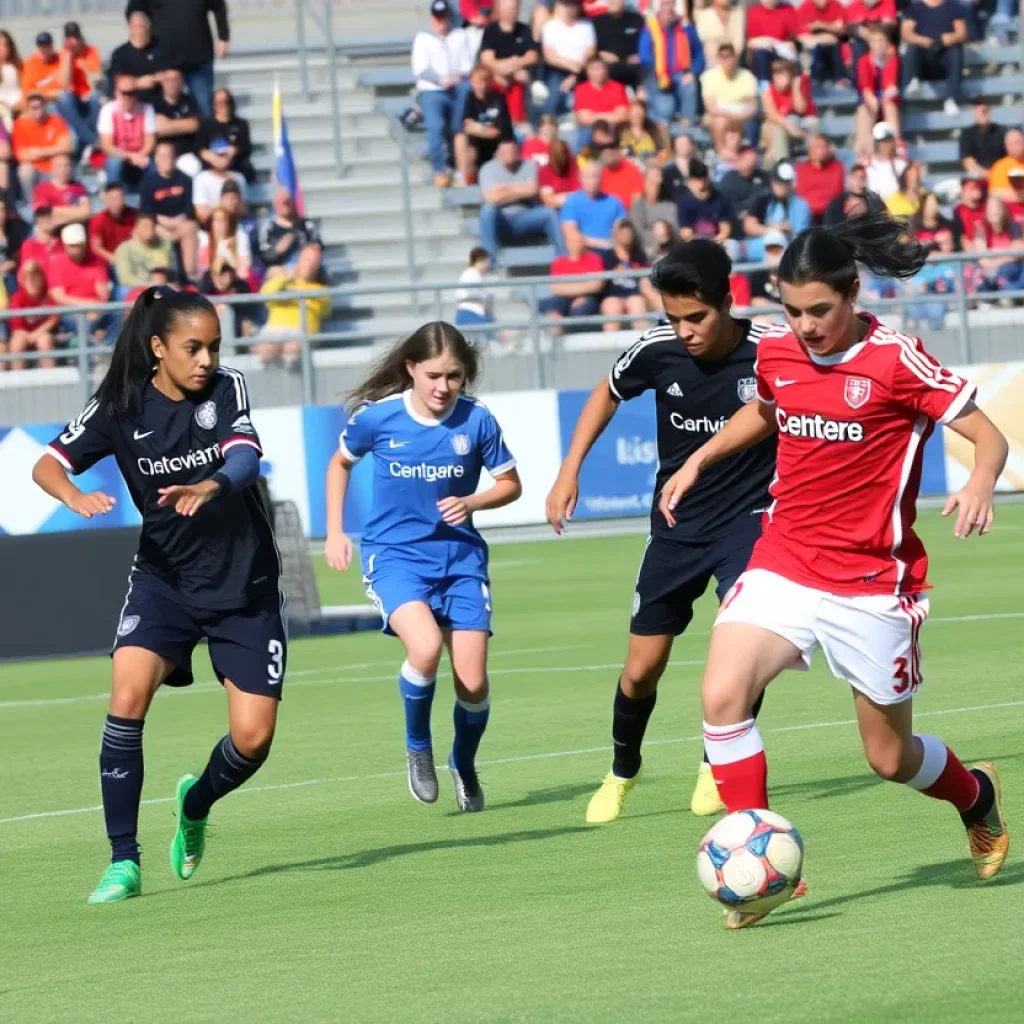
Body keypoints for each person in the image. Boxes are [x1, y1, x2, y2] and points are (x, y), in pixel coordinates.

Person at [657, 208, 1009, 929]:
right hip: (784, 559)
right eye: (792, 310)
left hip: (874, 584)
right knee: (721, 695)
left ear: (853, 294)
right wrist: (698, 458)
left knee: (888, 758)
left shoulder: (896, 360)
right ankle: (762, 873)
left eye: (820, 309)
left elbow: (988, 434)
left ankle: (976, 795)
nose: (807, 325)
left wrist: (977, 483)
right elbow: (766, 410)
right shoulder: (779, 353)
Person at [32, 286, 282, 904]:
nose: (206, 359)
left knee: (253, 740)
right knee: (126, 695)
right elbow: (47, 464)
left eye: (213, 346)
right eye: (192, 347)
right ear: (158, 348)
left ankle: (195, 805)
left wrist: (214, 483)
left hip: (243, 585)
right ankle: (123, 861)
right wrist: (73, 496)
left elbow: (248, 458)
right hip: (164, 580)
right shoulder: (119, 406)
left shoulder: (227, 388)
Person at [546, 239, 778, 822]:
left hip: (750, 521)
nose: (685, 331)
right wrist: (569, 469)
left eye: (696, 317)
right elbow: (607, 391)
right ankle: (623, 772)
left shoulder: (772, 349)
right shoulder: (657, 350)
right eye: (674, 318)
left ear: (728, 301)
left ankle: (714, 765)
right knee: (642, 668)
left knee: (741, 648)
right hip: (677, 526)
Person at [324, 322, 521, 810]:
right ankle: (417, 747)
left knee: (473, 683)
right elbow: (340, 463)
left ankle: (463, 762)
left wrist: (473, 501)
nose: (442, 386)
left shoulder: (477, 420)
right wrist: (334, 531)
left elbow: (511, 484)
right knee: (427, 646)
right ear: (410, 369)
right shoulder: (379, 418)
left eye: (454, 376)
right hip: (395, 557)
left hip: (460, 561)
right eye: (433, 375)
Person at [125, 0, 230, 117]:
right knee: (160, 112)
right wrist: (139, 37)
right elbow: (134, 11)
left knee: (204, 107)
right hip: (163, 62)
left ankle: (208, 135)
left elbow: (219, 6)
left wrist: (223, 37)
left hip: (198, 58)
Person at [413, 0, 475, 188]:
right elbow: (421, 68)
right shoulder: (423, 38)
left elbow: (467, 63)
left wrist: (458, 75)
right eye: (438, 18)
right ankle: (439, 170)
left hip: (456, 88)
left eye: (444, 18)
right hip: (432, 89)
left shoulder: (459, 35)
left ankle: (460, 171)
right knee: (436, 127)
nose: (441, 22)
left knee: (459, 128)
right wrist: (440, 80)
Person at [478, 138, 565, 260]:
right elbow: (491, 199)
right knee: (487, 211)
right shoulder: (487, 169)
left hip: (526, 218)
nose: (509, 155)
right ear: (497, 153)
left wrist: (504, 190)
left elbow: (533, 189)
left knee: (550, 213)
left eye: (512, 152)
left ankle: (564, 261)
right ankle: (488, 263)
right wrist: (520, 191)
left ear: (518, 151)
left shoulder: (530, 165)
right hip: (502, 220)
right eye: (505, 152)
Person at [639, 0, 705, 147]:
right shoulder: (650, 28)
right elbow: (645, 56)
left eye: (670, 4)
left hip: (680, 73)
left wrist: (693, 72)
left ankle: (687, 127)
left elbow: (699, 53)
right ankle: (666, 143)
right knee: (666, 108)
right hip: (658, 76)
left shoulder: (685, 26)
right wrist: (659, 74)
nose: (667, 8)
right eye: (664, 5)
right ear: (658, 8)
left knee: (690, 85)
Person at [255, 244, 331, 368]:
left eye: (315, 262)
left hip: (303, 331)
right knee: (266, 351)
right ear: (298, 261)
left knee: (292, 348)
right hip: (275, 329)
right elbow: (267, 295)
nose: (310, 266)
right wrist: (286, 277)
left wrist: (289, 296)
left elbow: (323, 309)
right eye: (307, 260)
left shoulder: (320, 289)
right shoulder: (282, 280)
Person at [141, 139, 200, 279]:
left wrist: (175, 223)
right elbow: (147, 213)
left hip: (181, 223)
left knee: (191, 228)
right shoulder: (148, 182)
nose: (166, 160)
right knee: (149, 229)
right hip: (159, 226)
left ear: (175, 158)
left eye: (169, 156)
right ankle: (163, 276)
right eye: (162, 156)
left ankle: (191, 275)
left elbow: (189, 210)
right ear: (156, 159)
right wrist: (164, 223)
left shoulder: (185, 180)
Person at [49, 222, 114, 342]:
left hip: (96, 309)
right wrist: (88, 307)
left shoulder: (97, 261)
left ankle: (108, 349)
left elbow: (103, 294)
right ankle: (95, 352)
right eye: (72, 246)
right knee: (82, 322)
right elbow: (59, 297)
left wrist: (95, 309)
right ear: (65, 246)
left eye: (78, 245)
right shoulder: (56, 263)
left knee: (120, 316)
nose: (75, 249)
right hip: (69, 311)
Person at [478, 0, 539, 128]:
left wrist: (514, 64)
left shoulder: (524, 29)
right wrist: (505, 69)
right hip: (496, 81)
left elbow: (532, 55)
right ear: (499, 8)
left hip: (516, 81)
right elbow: (487, 59)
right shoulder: (491, 31)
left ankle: (517, 126)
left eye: (513, 8)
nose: (510, 11)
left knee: (523, 82)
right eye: (507, 8)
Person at [901, 0, 966, 116]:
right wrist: (923, 41)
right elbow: (906, 33)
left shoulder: (952, 6)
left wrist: (946, 39)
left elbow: (961, 33)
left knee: (956, 50)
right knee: (911, 47)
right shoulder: (915, 8)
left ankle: (951, 98)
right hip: (923, 59)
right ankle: (913, 80)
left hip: (943, 59)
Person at [53, 21, 103, 159]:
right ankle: (94, 142)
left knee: (96, 97)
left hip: (88, 97)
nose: (73, 41)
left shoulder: (91, 51)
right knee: (64, 98)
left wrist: (83, 67)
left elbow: (96, 82)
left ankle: (88, 143)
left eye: (75, 37)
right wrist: (69, 56)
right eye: (69, 38)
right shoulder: (62, 54)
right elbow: (64, 83)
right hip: (72, 100)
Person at [538, 0, 597, 117]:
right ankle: (548, 121)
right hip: (558, 69)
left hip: (583, 70)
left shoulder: (586, 26)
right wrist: (572, 66)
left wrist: (576, 73)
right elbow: (549, 56)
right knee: (554, 91)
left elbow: (590, 52)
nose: (570, 9)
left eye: (573, 6)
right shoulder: (550, 26)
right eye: (567, 6)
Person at [539, 223, 606, 325]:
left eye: (579, 241)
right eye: (573, 242)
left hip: (587, 298)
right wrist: (583, 287)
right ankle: (555, 336)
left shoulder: (594, 259)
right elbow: (556, 288)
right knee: (553, 307)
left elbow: (596, 286)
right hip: (563, 298)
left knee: (583, 307)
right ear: (567, 244)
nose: (576, 244)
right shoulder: (559, 263)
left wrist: (572, 289)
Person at [455, 65, 513, 184]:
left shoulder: (499, 100)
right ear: (471, 82)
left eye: (485, 81)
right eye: (478, 82)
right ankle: (463, 179)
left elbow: (498, 131)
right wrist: (484, 130)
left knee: (506, 150)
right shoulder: (469, 99)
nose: (482, 86)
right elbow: (467, 127)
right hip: (478, 144)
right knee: (460, 139)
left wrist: (479, 128)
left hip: (497, 145)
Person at [743, 161, 812, 260]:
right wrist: (772, 229)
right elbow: (749, 226)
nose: (782, 186)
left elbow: (800, 234)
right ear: (772, 181)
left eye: (786, 183)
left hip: (789, 245)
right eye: (779, 182)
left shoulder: (801, 205)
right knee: (773, 239)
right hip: (762, 243)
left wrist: (784, 231)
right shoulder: (762, 199)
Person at [98, 75, 157, 189]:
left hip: (141, 154)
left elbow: (150, 141)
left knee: (152, 163)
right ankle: (113, 194)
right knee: (114, 163)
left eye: (132, 93)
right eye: (125, 93)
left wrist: (140, 155)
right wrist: (129, 156)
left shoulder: (147, 109)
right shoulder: (108, 110)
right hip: (118, 154)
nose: (128, 97)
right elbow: (106, 145)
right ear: (117, 93)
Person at [598, 219, 657, 331]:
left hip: (634, 294)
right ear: (616, 235)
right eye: (623, 234)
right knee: (612, 306)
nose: (627, 237)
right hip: (613, 295)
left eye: (629, 234)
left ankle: (643, 343)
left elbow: (646, 279)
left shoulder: (639, 256)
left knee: (637, 302)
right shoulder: (607, 256)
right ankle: (610, 345)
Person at [699, 43, 759, 152]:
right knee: (719, 121)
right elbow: (711, 107)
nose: (727, 61)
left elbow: (753, 106)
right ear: (718, 59)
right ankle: (721, 151)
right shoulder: (709, 76)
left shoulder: (748, 76)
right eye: (723, 57)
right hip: (720, 113)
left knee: (748, 123)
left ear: (735, 58)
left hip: (742, 113)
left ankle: (746, 154)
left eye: (730, 56)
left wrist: (739, 116)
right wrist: (731, 116)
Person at [12, 91, 73, 198]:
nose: (38, 110)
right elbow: (21, 156)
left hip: (53, 166)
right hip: (35, 168)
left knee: (62, 159)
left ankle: (63, 198)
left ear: (45, 106)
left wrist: (39, 151)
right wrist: (53, 149)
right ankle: (33, 204)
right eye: (34, 108)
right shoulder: (20, 124)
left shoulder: (56, 120)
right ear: (28, 109)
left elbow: (67, 146)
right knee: (25, 170)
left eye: (40, 106)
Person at [760, 58, 818, 169]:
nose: (780, 79)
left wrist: (796, 88)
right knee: (779, 129)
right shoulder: (768, 91)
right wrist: (789, 125)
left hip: (798, 124)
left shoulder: (800, 86)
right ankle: (782, 163)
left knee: (812, 123)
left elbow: (800, 108)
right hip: (776, 126)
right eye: (777, 75)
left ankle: (814, 159)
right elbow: (772, 115)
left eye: (783, 75)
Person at [5, 260, 59, 371]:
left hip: (42, 332)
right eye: (28, 277)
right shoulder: (17, 297)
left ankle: (50, 379)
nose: (32, 281)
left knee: (45, 341)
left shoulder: (48, 296)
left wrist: (36, 334)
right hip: (22, 333)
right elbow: (16, 326)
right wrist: (28, 336)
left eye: (35, 277)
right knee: (16, 343)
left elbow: (53, 319)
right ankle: (17, 380)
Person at [855, 24, 900, 157]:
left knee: (889, 106)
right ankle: (865, 151)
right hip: (871, 99)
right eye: (874, 41)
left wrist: (882, 101)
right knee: (864, 111)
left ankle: (896, 147)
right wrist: (873, 101)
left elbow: (891, 85)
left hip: (887, 98)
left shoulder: (892, 59)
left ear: (887, 42)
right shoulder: (864, 61)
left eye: (881, 41)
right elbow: (865, 86)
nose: (877, 45)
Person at [561, 160, 627, 250]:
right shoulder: (572, 202)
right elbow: (571, 233)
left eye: (595, 176)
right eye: (587, 177)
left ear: (601, 178)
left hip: (612, 250)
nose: (592, 181)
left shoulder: (615, 202)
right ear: (580, 178)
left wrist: (612, 245)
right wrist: (598, 243)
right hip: (584, 251)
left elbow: (622, 232)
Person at [196, 87, 254, 183]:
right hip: (211, 168)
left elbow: (246, 147)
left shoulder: (241, 124)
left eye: (226, 102)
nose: (223, 105)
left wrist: (234, 151)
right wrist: (214, 159)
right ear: (214, 105)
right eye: (219, 103)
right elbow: (199, 147)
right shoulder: (206, 125)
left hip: (235, 168)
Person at [256, 187, 322, 270]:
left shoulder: (306, 224)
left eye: (288, 202)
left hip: (305, 267)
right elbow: (264, 255)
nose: (286, 206)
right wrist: (277, 250)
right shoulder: (269, 228)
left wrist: (305, 249)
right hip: (279, 270)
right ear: (276, 205)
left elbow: (317, 245)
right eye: (282, 203)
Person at [108, 10, 163, 107]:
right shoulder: (120, 54)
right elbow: (118, 83)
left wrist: (155, 79)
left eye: (142, 26)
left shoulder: (159, 49)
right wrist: (138, 83)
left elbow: (168, 73)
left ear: (149, 27)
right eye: (135, 26)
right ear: (129, 28)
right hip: (132, 104)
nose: (139, 31)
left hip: (158, 102)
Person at [154, 68, 202, 177]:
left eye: (175, 80)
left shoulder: (189, 100)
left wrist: (169, 125)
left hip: (185, 154)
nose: (171, 84)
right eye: (168, 80)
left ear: (181, 81)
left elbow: (196, 124)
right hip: (161, 155)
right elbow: (158, 129)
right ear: (162, 82)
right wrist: (183, 125)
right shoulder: (155, 103)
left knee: (193, 168)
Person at [574, 57, 630, 147]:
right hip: (591, 128)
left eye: (601, 68)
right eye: (594, 69)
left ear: (606, 70)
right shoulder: (581, 89)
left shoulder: (618, 87)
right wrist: (609, 116)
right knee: (584, 133)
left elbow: (622, 116)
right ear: (588, 71)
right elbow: (583, 119)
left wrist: (595, 116)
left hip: (615, 127)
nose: (598, 72)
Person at [115, 214, 175, 296]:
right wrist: (149, 285)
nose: (149, 230)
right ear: (136, 228)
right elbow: (125, 279)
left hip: (162, 286)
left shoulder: (165, 246)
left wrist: (165, 270)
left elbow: (175, 271)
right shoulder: (125, 249)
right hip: (135, 288)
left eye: (152, 226)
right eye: (145, 226)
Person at [593, 0, 646, 90]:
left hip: (633, 66)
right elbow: (590, 47)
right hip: (609, 66)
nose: (614, 2)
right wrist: (600, 54)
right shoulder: (597, 22)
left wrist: (641, 55)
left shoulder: (637, 19)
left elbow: (647, 41)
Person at [677, 159, 734, 243]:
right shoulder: (684, 203)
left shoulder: (721, 199)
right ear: (689, 183)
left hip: (717, 244)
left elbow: (725, 230)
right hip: (694, 245)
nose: (701, 185)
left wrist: (714, 243)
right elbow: (685, 232)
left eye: (703, 181)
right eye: (696, 182)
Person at [795, 134, 845, 225]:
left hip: (829, 214)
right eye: (818, 147)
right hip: (808, 214)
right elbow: (801, 194)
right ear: (810, 150)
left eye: (824, 147)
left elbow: (835, 192)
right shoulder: (800, 169)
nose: (821, 151)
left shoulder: (837, 168)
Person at [745, 0, 799, 84]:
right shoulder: (753, 12)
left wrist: (787, 43)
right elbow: (750, 42)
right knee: (761, 54)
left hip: (782, 51)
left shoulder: (788, 9)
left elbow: (795, 36)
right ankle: (764, 86)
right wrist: (766, 42)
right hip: (761, 51)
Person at [795, 0, 847, 85]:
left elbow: (841, 29)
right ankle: (815, 80)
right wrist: (827, 31)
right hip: (814, 43)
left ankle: (839, 79)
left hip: (834, 44)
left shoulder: (836, 5)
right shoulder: (806, 6)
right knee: (815, 47)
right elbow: (800, 34)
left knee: (834, 45)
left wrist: (820, 25)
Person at [31, 152, 89, 228]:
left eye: (67, 165)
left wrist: (55, 211)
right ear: (53, 168)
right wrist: (75, 211)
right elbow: (43, 215)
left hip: (75, 228)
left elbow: (86, 212)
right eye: (60, 166)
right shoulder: (42, 188)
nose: (64, 169)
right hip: (53, 231)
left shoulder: (78, 187)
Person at [90, 181, 139, 270]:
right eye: (112, 199)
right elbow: (96, 248)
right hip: (109, 263)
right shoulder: (98, 220)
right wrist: (114, 259)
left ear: (124, 199)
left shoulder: (135, 216)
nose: (116, 202)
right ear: (106, 200)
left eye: (119, 198)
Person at [630, 164, 679, 252]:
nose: (656, 184)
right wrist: (656, 236)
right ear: (645, 182)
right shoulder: (638, 206)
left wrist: (665, 232)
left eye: (658, 180)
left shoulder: (670, 206)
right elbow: (637, 231)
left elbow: (675, 231)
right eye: (652, 182)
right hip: (645, 251)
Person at [718, 143, 769, 223]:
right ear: (739, 160)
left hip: (761, 219)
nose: (751, 165)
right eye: (748, 161)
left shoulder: (764, 177)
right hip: (735, 222)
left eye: (753, 163)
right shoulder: (728, 181)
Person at [198, 205, 252, 281]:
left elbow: (244, 271)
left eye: (223, 220)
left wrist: (227, 251)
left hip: (235, 280)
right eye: (216, 220)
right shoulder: (204, 240)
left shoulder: (240, 237)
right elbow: (203, 270)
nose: (220, 223)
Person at [844, 0, 898, 71]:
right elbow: (851, 28)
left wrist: (875, 39)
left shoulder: (888, 2)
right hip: (862, 42)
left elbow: (890, 26)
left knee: (884, 43)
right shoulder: (854, 5)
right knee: (858, 45)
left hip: (884, 40)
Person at [960, 99, 1006, 180]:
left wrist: (997, 175)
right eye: (979, 111)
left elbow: (1009, 159)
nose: (983, 114)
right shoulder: (967, 134)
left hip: (1001, 177)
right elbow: (968, 162)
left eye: (985, 111)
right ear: (973, 113)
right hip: (978, 178)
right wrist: (988, 175)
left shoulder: (1002, 132)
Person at [454, 246, 497, 334]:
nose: (488, 264)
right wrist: (484, 304)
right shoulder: (469, 275)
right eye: (486, 261)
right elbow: (468, 297)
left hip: (478, 314)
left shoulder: (480, 276)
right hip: (470, 314)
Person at [192, 163, 245, 229]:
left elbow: (244, 210)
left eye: (233, 198)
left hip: (236, 228)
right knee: (219, 215)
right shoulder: (201, 177)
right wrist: (221, 207)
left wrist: (232, 205)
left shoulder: (238, 177)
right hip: (208, 230)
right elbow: (202, 215)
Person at [695, 0, 746, 69]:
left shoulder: (737, 13)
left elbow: (739, 43)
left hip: (733, 63)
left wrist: (729, 60)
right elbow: (703, 41)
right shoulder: (704, 15)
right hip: (711, 63)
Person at [865, 121, 907, 201]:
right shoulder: (868, 166)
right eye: (882, 141)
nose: (886, 144)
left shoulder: (902, 165)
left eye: (889, 140)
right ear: (876, 143)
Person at [600, 138, 645, 209]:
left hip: (628, 214)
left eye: (611, 151)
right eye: (605, 152)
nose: (608, 155)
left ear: (618, 152)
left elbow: (637, 198)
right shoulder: (600, 173)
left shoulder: (632, 170)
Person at [823, 161, 869, 227]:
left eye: (862, 177)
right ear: (848, 180)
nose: (859, 181)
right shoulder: (835, 206)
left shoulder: (873, 204)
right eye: (855, 177)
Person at [20, 32, 64, 102]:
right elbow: (28, 93)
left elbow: (68, 88)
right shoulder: (30, 63)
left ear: (52, 46)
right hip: (40, 103)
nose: (45, 50)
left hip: (61, 101)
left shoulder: (61, 59)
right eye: (42, 47)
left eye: (47, 46)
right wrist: (49, 95)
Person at [538, 137, 580, 209]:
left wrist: (561, 197)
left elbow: (584, 195)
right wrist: (571, 196)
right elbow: (549, 201)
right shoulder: (544, 171)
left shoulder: (576, 166)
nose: (561, 160)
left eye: (562, 155)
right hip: (557, 210)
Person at [660, 132, 697, 205]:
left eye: (686, 143)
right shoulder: (667, 171)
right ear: (674, 147)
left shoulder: (698, 168)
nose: (683, 146)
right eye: (680, 144)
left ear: (691, 146)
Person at [988, 129, 1024, 203]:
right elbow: (995, 192)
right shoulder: (1000, 166)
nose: (1014, 147)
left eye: (1017, 142)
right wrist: (1019, 195)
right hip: (1009, 207)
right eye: (1010, 144)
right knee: (993, 202)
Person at [0, 29, 24, 120]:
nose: (3, 49)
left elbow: (25, 88)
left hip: (17, 106)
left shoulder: (17, 66)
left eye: (5, 45)